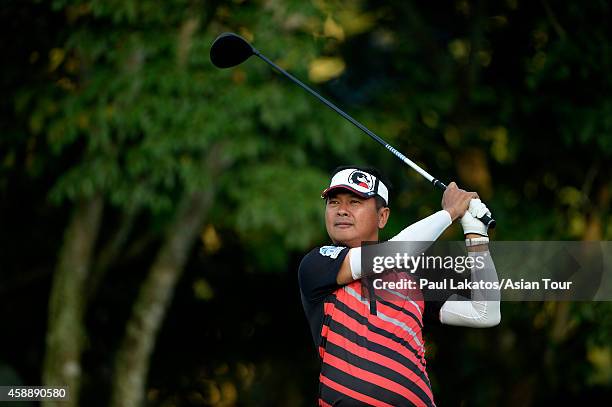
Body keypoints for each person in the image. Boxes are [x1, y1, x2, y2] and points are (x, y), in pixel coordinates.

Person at [298, 165, 500, 406]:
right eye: (333, 203)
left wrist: (476, 234)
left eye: (354, 202)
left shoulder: (411, 277)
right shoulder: (319, 263)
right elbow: (392, 252)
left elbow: (485, 313)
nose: (341, 211)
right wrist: (449, 213)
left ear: (382, 216)